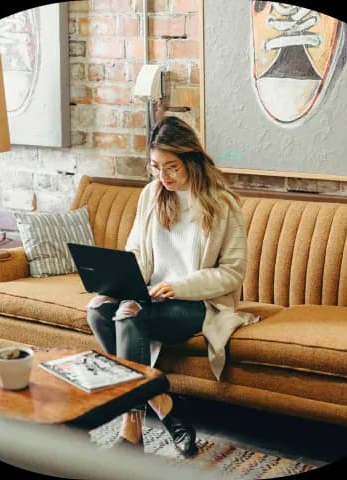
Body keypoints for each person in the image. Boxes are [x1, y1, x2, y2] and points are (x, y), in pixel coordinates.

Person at [87, 116, 257, 456]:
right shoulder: (152, 195)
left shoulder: (223, 204)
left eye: (171, 167)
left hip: (196, 303)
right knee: (98, 309)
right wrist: (119, 283)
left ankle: (131, 429)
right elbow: (136, 251)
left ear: (191, 160)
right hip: (149, 294)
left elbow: (232, 273)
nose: (162, 177)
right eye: (155, 167)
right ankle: (164, 403)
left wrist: (178, 286)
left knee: (128, 315)